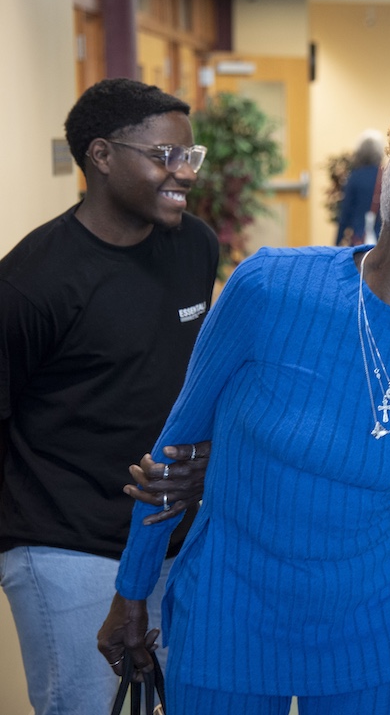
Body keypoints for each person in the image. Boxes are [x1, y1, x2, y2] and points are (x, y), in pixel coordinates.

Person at [98, 86, 390, 714]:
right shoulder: (270, 288)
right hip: (228, 614)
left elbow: (375, 452)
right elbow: (176, 445)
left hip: (375, 627)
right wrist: (132, 589)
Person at [0, 77, 217, 715]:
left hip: (173, 536)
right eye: (164, 156)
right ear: (100, 156)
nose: (184, 173)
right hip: (68, 546)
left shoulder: (195, 245)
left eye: (190, 156)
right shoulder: (32, 283)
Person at [335, 129, 385, 246]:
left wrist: (336, 243)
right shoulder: (386, 176)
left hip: (359, 239)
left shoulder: (354, 177)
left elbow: (346, 213)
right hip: (382, 240)